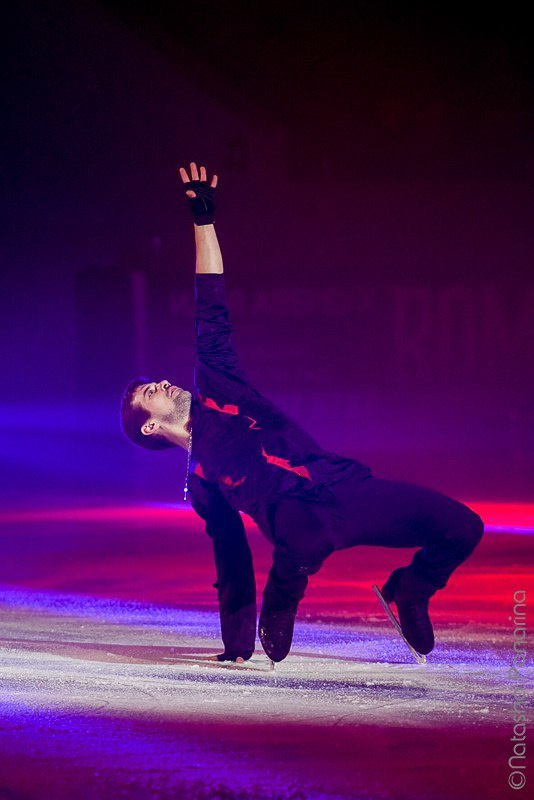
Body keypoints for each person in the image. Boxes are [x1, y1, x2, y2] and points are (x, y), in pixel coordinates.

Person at [120, 162, 485, 664]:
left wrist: (203, 221)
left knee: (463, 526)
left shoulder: (217, 382)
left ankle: (411, 591)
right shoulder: (202, 481)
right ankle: (283, 601)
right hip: (294, 521)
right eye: (148, 393)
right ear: (151, 425)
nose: (160, 383)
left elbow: (211, 304)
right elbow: (231, 558)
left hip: (343, 488)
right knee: (306, 534)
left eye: (155, 381)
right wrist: (237, 645)